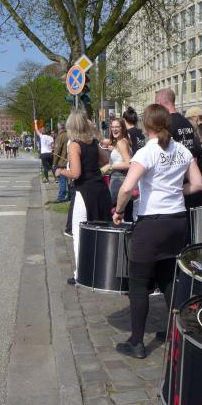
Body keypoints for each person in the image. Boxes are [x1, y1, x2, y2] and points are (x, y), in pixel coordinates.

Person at [111, 104, 202, 358]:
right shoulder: (183, 150)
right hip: (177, 222)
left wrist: (119, 211)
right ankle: (176, 333)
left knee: (139, 285)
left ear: (147, 125)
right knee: (168, 281)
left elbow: (126, 188)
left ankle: (136, 342)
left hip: (152, 224)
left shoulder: (146, 152)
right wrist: (174, 192)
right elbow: (197, 184)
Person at [54, 110, 112, 286]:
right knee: (100, 231)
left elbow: (75, 173)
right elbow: (105, 160)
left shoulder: (74, 145)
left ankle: (82, 274)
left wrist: (60, 171)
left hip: (84, 193)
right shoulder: (93, 142)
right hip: (101, 191)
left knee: (79, 235)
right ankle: (101, 271)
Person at [154, 89, 202, 210]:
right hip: (188, 179)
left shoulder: (166, 124)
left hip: (173, 181)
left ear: (160, 102)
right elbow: (193, 154)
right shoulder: (187, 122)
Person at [103, 117, 133, 213]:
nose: (114, 129)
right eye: (112, 127)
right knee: (126, 213)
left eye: (117, 127)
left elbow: (129, 164)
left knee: (117, 213)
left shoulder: (121, 142)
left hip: (119, 180)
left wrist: (110, 167)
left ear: (123, 128)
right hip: (121, 180)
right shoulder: (123, 140)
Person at [53, 123, 70, 202]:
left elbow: (57, 151)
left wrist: (54, 163)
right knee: (69, 180)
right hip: (70, 161)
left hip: (62, 162)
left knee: (62, 180)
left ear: (59, 128)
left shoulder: (60, 137)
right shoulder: (70, 135)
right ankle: (70, 196)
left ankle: (61, 196)